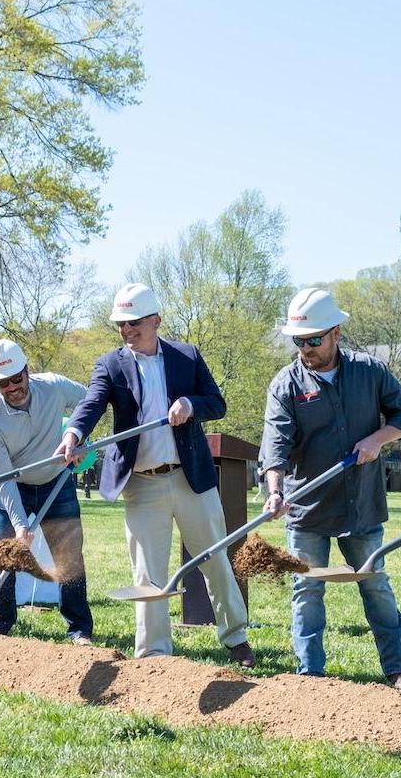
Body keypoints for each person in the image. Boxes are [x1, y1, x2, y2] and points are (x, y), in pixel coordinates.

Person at [56, 282, 254, 667]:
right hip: (142, 484)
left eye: (134, 322)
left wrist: (189, 404)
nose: (127, 330)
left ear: (156, 320)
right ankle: (155, 655)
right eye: (121, 324)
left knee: (215, 558)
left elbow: (217, 403)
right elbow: (92, 403)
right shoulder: (111, 364)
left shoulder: (186, 356)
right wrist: (73, 433)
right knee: (148, 574)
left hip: (190, 478)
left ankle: (236, 638)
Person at [259, 288, 401, 691]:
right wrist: (275, 490)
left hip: (361, 506)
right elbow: (274, 446)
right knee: (307, 590)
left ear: (336, 333)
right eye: (298, 340)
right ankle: (310, 675)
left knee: (376, 586)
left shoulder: (370, 371)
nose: (306, 348)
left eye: (314, 339)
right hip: (308, 508)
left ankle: (398, 670)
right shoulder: (286, 384)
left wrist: (377, 439)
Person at [0, 339, 94, 642]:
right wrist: (20, 525)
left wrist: (77, 436)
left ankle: (79, 629)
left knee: (70, 557)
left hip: (57, 481)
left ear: (27, 370)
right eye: (4, 383)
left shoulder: (53, 386)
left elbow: (91, 401)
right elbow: (3, 479)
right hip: (15, 487)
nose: (13, 387)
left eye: (17, 378)